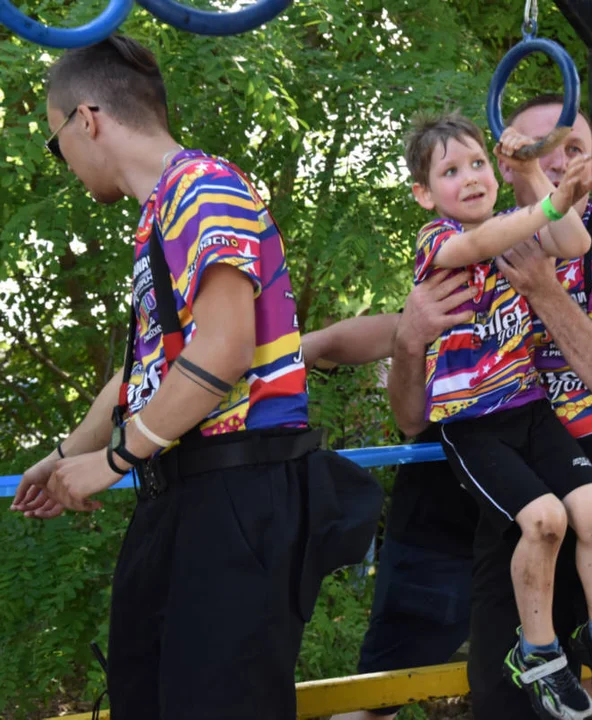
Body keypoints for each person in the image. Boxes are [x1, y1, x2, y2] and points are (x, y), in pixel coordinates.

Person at [9, 35, 382, 720]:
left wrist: (116, 459)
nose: (61, 164)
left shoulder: (204, 188)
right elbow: (144, 371)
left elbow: (226, 349)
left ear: (86, 119)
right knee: (144, 693)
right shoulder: (160, 212)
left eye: (55, 144)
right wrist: (67, 456)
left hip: (238, 489)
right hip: (180, 490)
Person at [389, 96, 592, 720]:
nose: (551, 163)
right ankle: (538, 653)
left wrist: (539, 212)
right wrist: (399, 337)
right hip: (511, 463)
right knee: (505, 702)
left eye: (567, 151)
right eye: (530, 150)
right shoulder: (469, 240)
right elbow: (405, 375)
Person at [302, 274, 480, 720]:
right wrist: (256, 361)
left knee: (576, 685)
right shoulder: (449, 308)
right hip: (435, 539)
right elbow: (331, 344)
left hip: (536, 533)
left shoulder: (565, 297)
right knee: (375, 703)